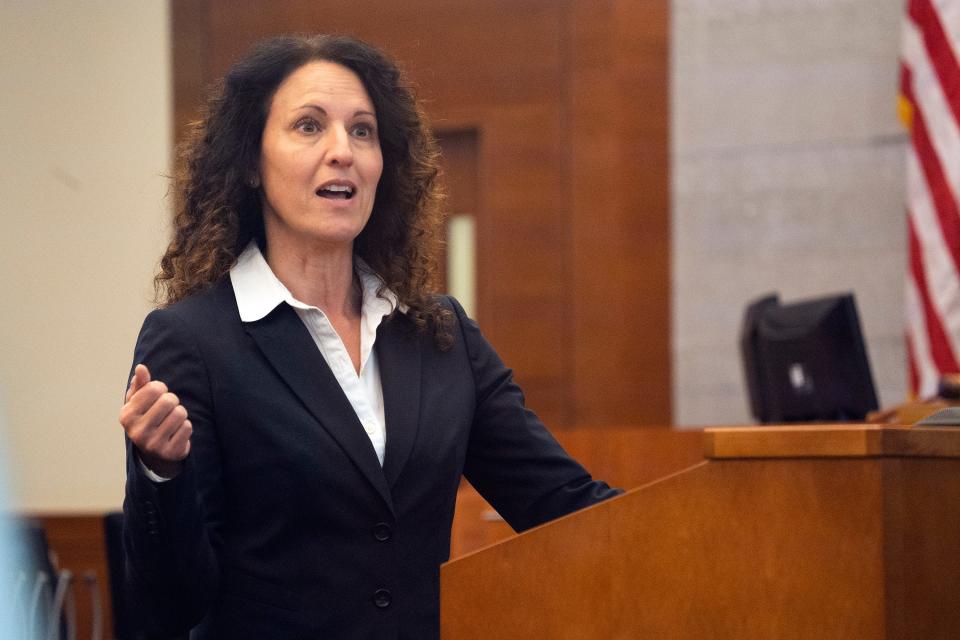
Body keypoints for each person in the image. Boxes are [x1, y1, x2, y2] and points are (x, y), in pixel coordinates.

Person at [119, 34, 620, 639]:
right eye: (309, 127)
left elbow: (560, 502)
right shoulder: (192, 340)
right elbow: (171, 604)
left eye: (363, 131)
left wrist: (721, 514)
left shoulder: (439, 334)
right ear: (251, 163)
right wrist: (160, 474)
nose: (343, 151)